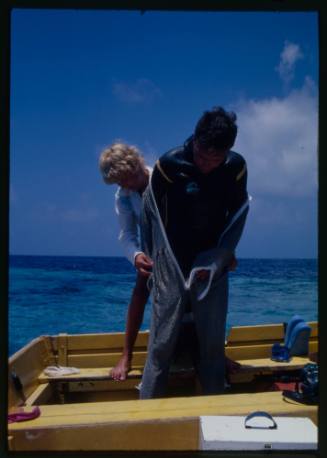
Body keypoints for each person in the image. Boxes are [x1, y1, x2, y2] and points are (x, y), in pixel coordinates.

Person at [140, 106, 250, 399]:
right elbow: (150, 217)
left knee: (212, 345)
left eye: (216, 159)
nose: (207, 164)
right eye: (202, 156)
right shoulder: (168, 164)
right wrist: (152, 262)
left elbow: (239, 214)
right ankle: (146, 412)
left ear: (227, 152)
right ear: (195, 139)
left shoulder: (236, 167)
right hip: (171, 261)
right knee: (161, 346)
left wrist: (223, 256)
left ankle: (216, 410)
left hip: (210, 265)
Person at [99, 142, 153, 380]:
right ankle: (127, 354)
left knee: (199, 295)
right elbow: (127, 235)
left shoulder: (165, 177)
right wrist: (136, 255)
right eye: (121, 183)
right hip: (150, 247)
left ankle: (213, 352)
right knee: (139, 291)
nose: (126, 186)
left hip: (181, 246)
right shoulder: (123, 195)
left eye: (128, 179)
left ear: (138, 164)